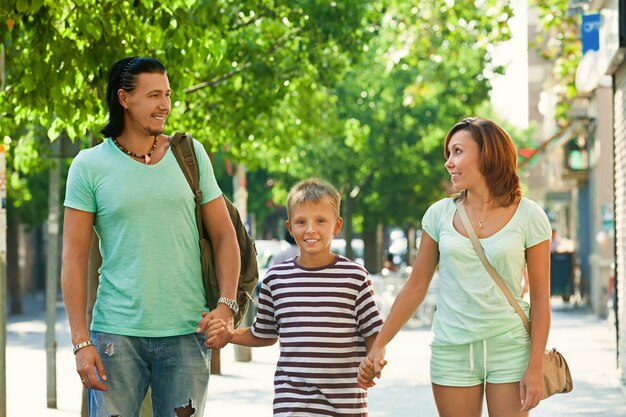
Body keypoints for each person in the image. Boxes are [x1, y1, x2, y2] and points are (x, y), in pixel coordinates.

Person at [61, 56, 240, 416]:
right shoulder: (89, 166)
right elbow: (74, 258)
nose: (165, 106)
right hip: (116, 336)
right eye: (154, 95)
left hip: (187, 333)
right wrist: (81, 341)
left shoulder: (190, 155)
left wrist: (226, 305)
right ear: (124, 99)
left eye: (168, 94)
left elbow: (225, 235)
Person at [358, 117, 552, 416]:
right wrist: (380, 344)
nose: (449, 163)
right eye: (448, 154)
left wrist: (535, 366)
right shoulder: (438, 215)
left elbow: (540, 297)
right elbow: (416, 285)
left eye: (458, 152)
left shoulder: (529, 216)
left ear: (488, 154)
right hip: (452, 350)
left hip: (510, 349)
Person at [230, 177, 384, 416]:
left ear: (337, 225)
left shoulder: (355, 277)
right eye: (301, 222)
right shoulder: (275, 278)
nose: (310, 229)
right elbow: (264, 334)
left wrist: (373, 363)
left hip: (344, 405)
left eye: (320, 221)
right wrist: (228, 334)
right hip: (292, 403)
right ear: (290, 227)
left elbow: (373, 334)